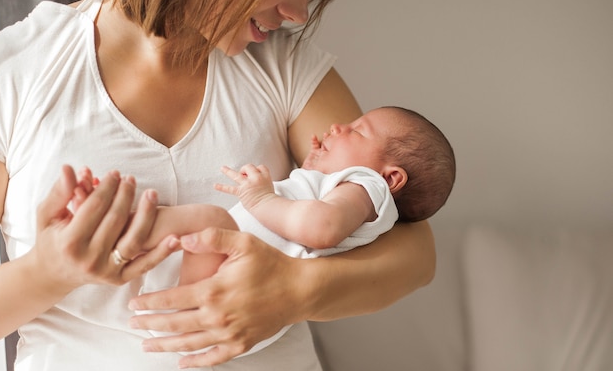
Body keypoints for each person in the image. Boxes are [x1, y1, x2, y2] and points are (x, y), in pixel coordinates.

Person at [0, 0, 437, 370]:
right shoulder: (14, 72)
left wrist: (294, 291)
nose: (299, 11)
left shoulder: (287, 68)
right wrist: (46, 273)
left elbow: (415, 252)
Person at [71, 105, 456, 356]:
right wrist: (314, 165)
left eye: (358, 130)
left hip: (237, 297)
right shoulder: (347, 192)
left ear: (391, 177)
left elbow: (319, 228)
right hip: (223, 306)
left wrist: (259, 199)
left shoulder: (367, 186)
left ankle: (109, 221)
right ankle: (112, 223)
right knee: (190, 225)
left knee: (209, 220)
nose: (338, 124)